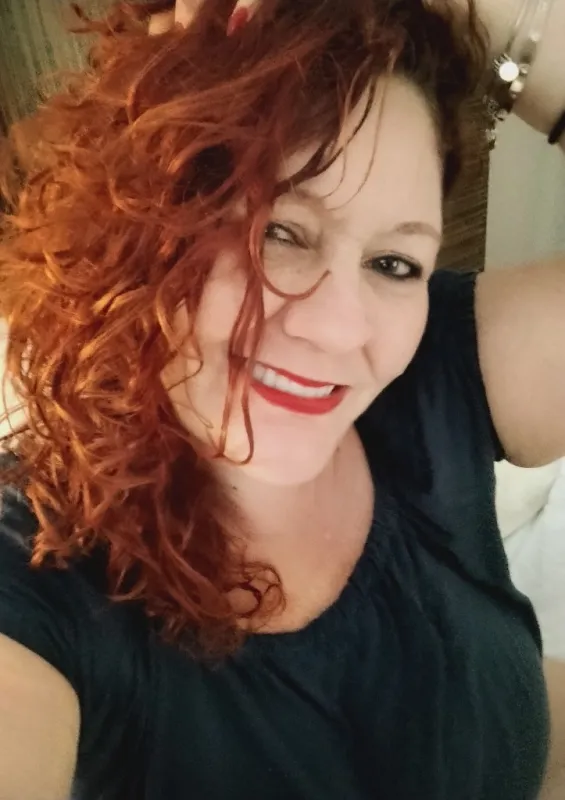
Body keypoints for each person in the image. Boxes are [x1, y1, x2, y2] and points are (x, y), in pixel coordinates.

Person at [0, 0, 564, 797]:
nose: (341, 329)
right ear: (138, 222)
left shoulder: (442, 370)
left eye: (394, 263)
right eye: (278, 232)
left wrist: (473, 9)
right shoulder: (36, 575)